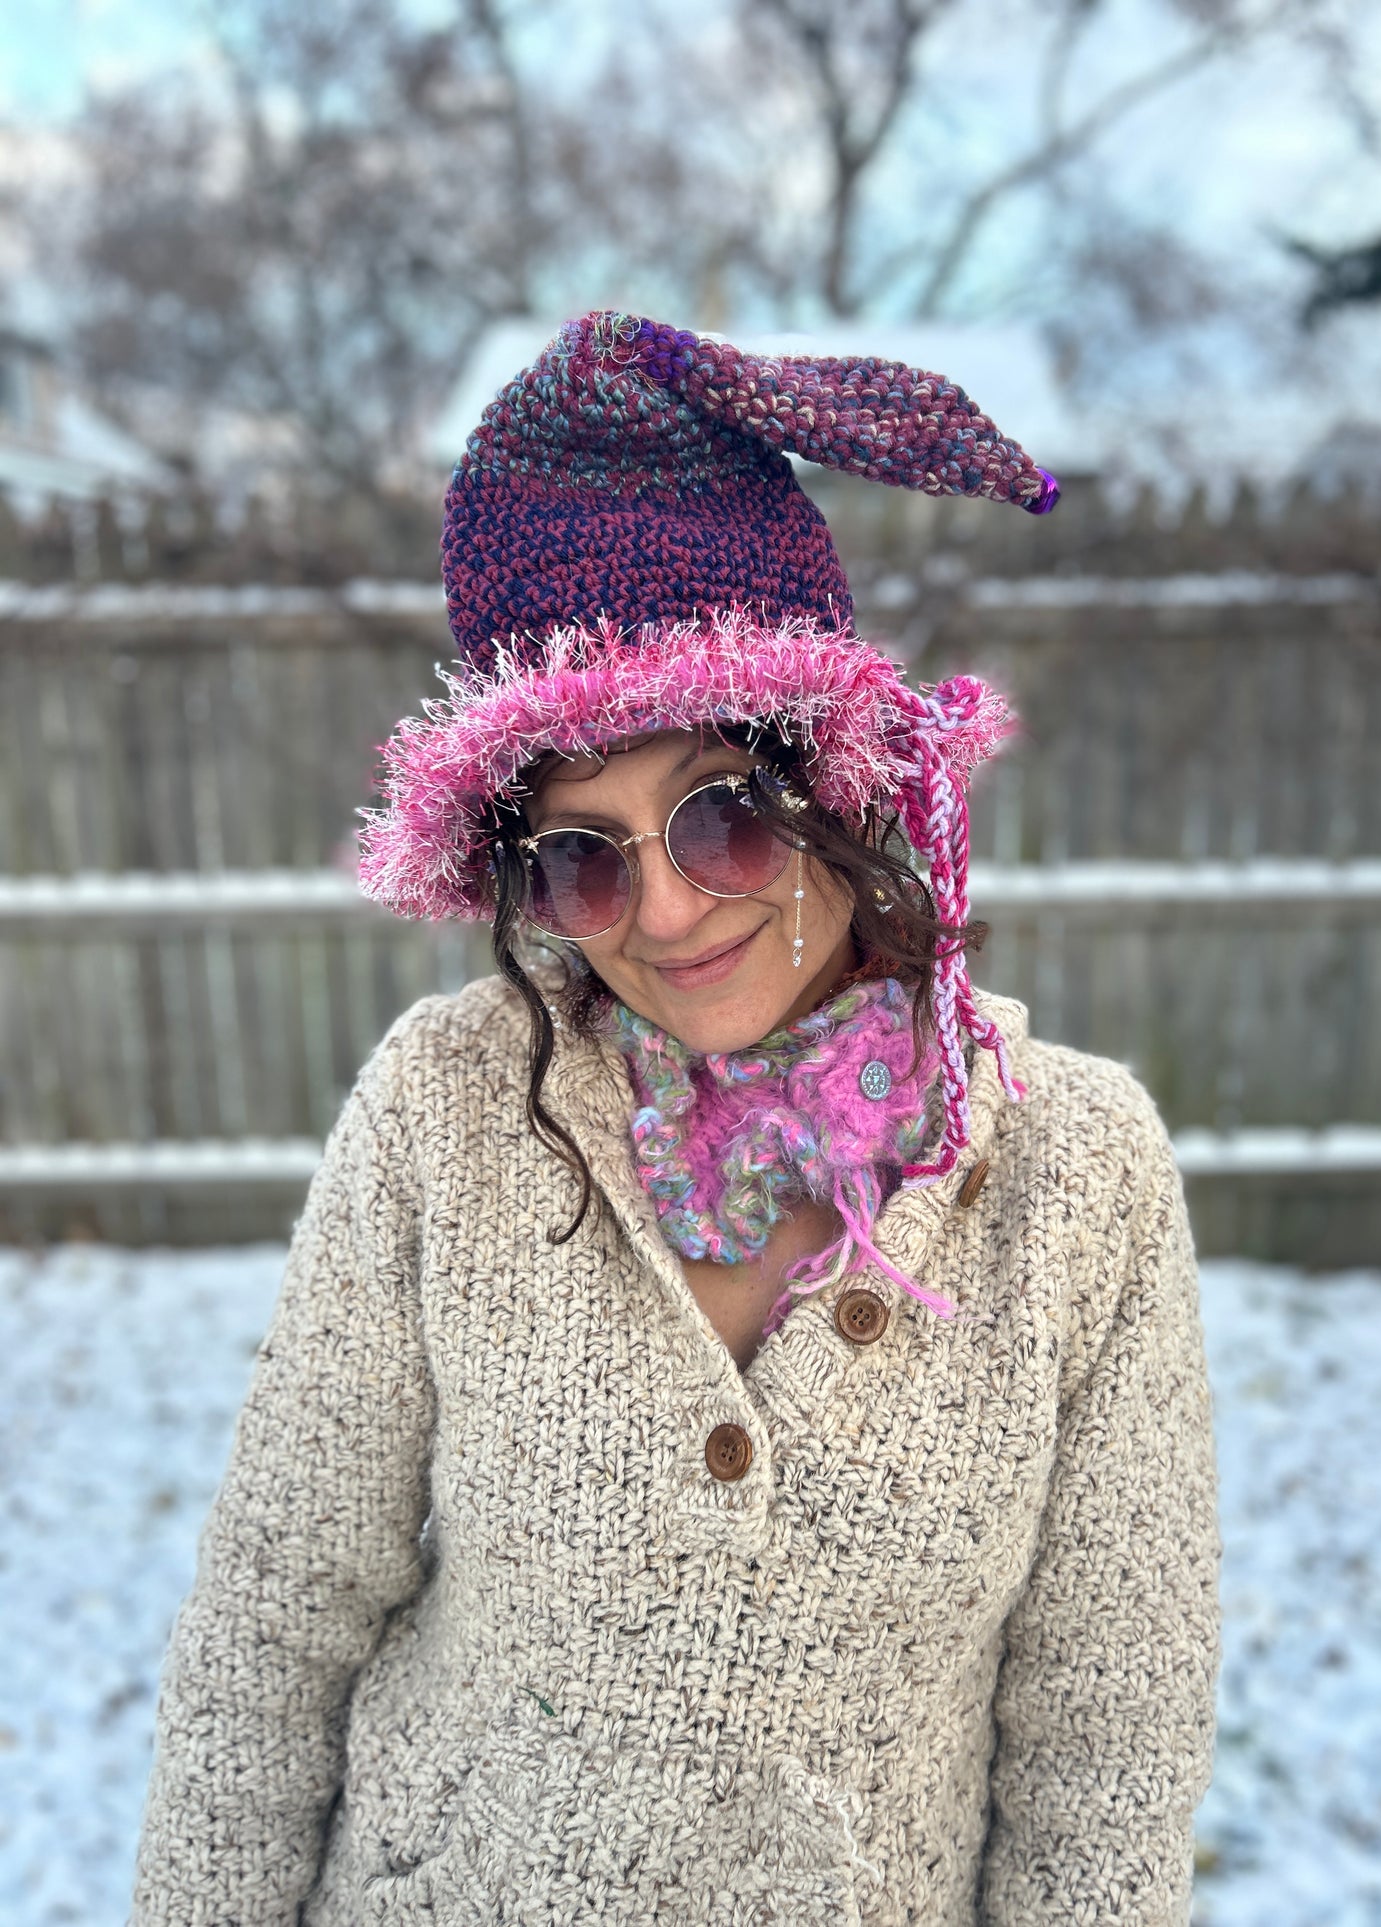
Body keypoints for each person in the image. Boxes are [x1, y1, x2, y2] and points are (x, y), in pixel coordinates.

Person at [131, 314, 1221, 1926]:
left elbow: (1106, 1744)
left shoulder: (1075, 1169)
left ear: (828, 789)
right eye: (582, 855)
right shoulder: (448, 1112)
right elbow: (275, 1622)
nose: (661, 909)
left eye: (716, 816)